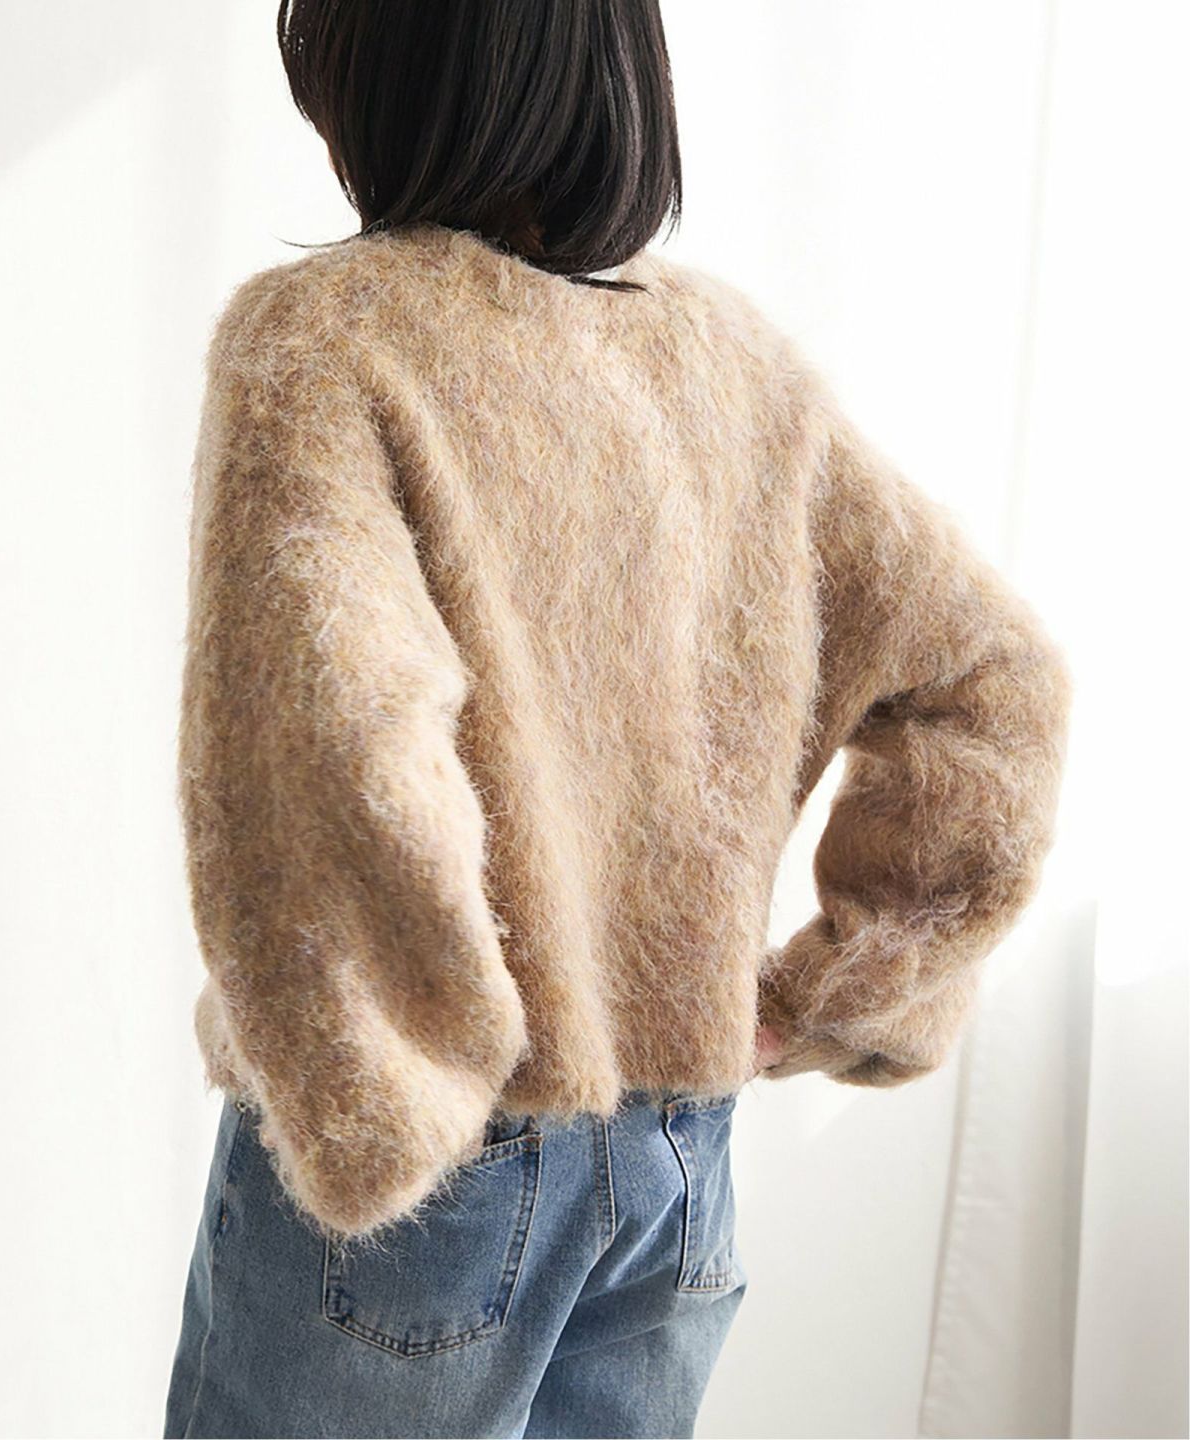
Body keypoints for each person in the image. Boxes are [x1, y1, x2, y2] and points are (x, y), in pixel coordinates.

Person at [162, 2, 1073, 1437]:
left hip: (427, 1184)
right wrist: (831, 995)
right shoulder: (736, 367)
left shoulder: (327, 339)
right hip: (676, 1173)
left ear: (381, 81)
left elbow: (338, 744)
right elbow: (996, 680)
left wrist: (386, 1098)